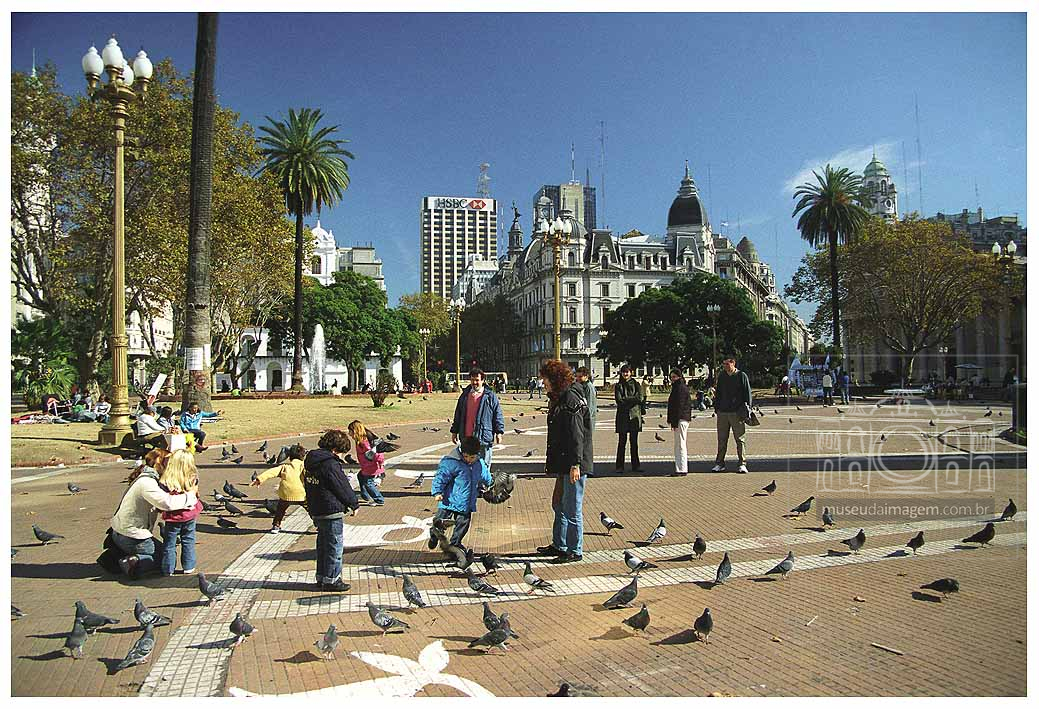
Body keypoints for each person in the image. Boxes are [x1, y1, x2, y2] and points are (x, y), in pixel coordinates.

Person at [110, 448, 198, 579]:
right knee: (165, 558)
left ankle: (125, 557)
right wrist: (192, 496)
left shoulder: (147, 478)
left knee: (165, 551)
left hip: (124, 531)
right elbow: (167, 503)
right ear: (161, 464)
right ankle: (135, 561)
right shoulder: (148, 483)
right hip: (131, 535)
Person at [536, 359, 591, 563]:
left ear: (555, 379)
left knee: (571, 507)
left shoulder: (571, 400)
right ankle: (559, 544)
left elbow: (577, 435)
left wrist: (576, 464)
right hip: (563, 462)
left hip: (573, 464)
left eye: (546, 380)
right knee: (558, 503)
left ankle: (574, 550)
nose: (544, 384)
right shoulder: (560, 398)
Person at [303, 429, 360, 592]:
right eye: (342, 453)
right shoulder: (330, 464)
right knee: (335, 545)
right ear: (336, 449)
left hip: (317, 508)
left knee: (322, 545)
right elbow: (341, 486)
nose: (341, 457)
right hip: (331, 509)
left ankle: (322, 576)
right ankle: (332, 579)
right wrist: (353, 503)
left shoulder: (312, 460)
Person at [431, 435, 492, 550]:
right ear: (461, 453)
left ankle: (455, 544)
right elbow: (441, 477)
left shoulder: (479, 464)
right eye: (466, 456)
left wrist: (491, 483)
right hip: (448, 500)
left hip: (466, 502)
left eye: (472, 457)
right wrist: (437, 492)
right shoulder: (452, 462)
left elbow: (486, 477)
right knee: (439, 522)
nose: (469, 459)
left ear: (477, 455)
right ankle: (434, 535)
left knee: (463, 525)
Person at [157, 450, 201, 576]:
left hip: (173, 516)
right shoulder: (193, 478)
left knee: (169, 542)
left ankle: (168, 568)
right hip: (189, 514)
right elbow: (196, 494)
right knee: (188, 539)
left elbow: (163, 498)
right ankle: (189, 566)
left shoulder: (165, 480)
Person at [450, 368, 504, 468]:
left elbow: (498, 415)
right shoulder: (464, 396)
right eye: (472, 380)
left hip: (483, 438)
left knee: (483, 467)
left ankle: (483, 484)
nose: (474, 382)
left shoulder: (490, 396)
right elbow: (458, 415)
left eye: (477, 380)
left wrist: (499, 432)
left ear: (482, 381)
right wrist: (454, 432)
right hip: (467, 437)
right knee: (466, 467)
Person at [252, 444, 307, 533]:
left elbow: (271, 472)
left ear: (289, 457)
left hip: (285, 494)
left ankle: (276, 526)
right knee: (311, 510)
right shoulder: (303, 466)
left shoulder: (285, 467)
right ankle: (319, 525)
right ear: (303, 456)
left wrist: (260, 479)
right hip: (301, 493)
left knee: (280, 510)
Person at [712, 356, 753, 474]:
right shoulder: (722, 376)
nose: (725, 366)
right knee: (722, 439)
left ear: (733, 363)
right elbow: (718, 393)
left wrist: (747, 410)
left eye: (727, 364)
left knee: (740, 439)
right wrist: (717, 408)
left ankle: (742, 463)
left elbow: (747, 393)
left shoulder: (741, 376)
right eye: (723, 364)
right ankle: (719, 463)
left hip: (737, 412)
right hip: (723, 412)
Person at [614, 365, 643, 473]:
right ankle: (619, 466)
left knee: (634, 443)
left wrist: (626, 399)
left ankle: (636, 465)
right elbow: (618, 400)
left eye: (627, 372)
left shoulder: (636, 384)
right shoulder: (618, 385)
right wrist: (632, 400)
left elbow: (639, 398)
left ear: (631, 372)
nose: (625, 374)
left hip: (634, 415)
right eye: (623, 372)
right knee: (622, 442)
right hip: (622, 416)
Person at [348, 420, 385, 506]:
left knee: (368, 483)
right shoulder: (360, 441)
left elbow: (375, 454)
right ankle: (365, 495)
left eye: (350, 432)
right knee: (360, 476)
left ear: (355, 431)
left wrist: (381, 461)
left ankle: (379, 499)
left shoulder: (364, 443)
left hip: (372, 467)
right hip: (367, 467)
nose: (349, 434)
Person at [667, 369, 692, 474]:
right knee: (679, 444)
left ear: (679, 377)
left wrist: (674, 421)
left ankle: (682, 468)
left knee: (680, 444)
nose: (672, 379)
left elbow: (679, 406)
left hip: (681, 419)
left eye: (674, 377)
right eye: (671, 377)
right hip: (681, 418)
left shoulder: (680, 388)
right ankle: (680, 467)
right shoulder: (678, 387)